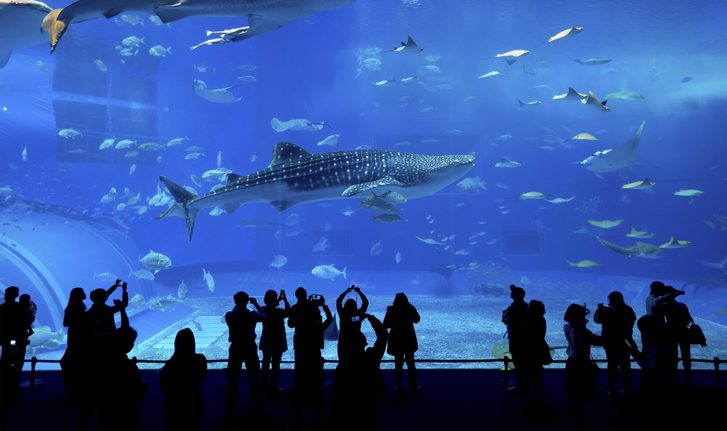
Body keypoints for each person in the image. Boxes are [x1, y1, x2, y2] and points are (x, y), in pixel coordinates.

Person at [331, 313, 388, 430]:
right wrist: (371, 318)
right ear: (364, 343)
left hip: (346, 408)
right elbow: (383, 335)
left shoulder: (343, 364)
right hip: (367, 404)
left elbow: (336, 390)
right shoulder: (372, 358)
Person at [287, 287, 333, 428]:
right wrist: (324, 305)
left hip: (300, 343)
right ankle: (317, 396)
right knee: (315, 370)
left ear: (296, 296)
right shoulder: (313, 308)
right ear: (306, 295)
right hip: (313, 344)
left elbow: (290, 324)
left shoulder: (295, 308)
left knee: (300, 368)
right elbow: (329, 319)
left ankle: (300, 395)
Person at [224, 291, 265, 418]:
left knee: (233, 378)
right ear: (247, 301)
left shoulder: (229, 315)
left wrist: (240, 303)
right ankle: (256, 406)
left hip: (235, 347)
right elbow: (264, 316)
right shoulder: (252, 315)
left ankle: (230, 409)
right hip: (249, 347)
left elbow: (235, 311)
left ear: (234, 301)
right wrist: (256, 304)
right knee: (254, 378)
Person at [563, 303, 602, 431]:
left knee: (574, 392)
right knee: (580, 391)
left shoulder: (567, 327)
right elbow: (598, 341)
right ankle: (578, 420)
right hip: (581, 363)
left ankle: (573, 419)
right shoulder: (582, 330)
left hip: (571, 361)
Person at [160, 328, 208, 431]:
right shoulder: (200, 359)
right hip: (193, 398)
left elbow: (163, 383)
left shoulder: (170, 363)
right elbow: (202, 378)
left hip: (174, 400)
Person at [593, 291, 636, 395]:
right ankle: (626, 387)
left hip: (610, 343)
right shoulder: (628, 309)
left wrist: (599, 310)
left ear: (611, 300)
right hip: (625, 341)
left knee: (612, 364)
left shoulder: (608, 311)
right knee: (625, 364)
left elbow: (597, 320)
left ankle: (611, 388)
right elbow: (632, 320)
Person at [383, 292, 420, 392]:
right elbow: (417, 319)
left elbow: (385, 324)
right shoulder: (409, 308)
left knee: (398, 364)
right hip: (408, 339)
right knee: (411, 363)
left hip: (397, 340)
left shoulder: (391, 310)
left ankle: (399, 385)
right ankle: (413, 385)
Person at [60, 287, 92, 403]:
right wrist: (81, 319)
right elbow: (66, 323)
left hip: (79, 337)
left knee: (71, 363)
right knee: (70, 362)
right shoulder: (72, 308)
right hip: (76, 338)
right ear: (77, 295)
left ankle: (75, 392)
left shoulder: (80, 307)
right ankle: (75, 392)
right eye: (83, 292)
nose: (85, 294)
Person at [662, 286, 696, 385]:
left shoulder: (665, 306)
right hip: (684, 332)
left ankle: (674, 377)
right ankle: (687, 377)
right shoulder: (682, 305)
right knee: (686, 355)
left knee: (673, 356)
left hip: (671, 333)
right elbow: (690, 320)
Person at [0, 286, 29, 402]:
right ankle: (13, 385)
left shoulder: (2, 307)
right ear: (17, 295)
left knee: (6, 359)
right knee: (17, 361)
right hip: (18, 339)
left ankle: (6, 384)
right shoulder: (20, 307)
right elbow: (26, 321)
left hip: (7, 339)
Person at [260, 289, 290, 394]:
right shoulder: (279, 312)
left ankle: (264, 385)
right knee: (276, 364)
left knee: (265, 363)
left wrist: (277, 300)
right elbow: (288, 312)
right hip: (278, 342)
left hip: (267, 341)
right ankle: (274, 386)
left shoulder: (263, 310)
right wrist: (285, 300)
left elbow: (270, 307)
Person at [501, 284, 529, 395]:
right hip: (524, 338)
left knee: (519, 363)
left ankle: (521, 387)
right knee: (523, 363)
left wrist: (505, 317)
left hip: (516, 338)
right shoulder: (526, 306)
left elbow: (506, 320)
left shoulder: (513, 308)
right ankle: (524, 385)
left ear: (512, 296)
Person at [336, 285, 369, 364]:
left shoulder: (343, 314)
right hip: (356, 342)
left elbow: (338, 301)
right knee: (357, 363)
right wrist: (359, 292)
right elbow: (365, 302)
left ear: (345, 306)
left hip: (343, 342)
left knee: (343, 363)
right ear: (355, 306)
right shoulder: (358, 315)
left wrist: (346, 292)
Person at [523, 299, 547, 403]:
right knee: (537, 373)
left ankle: (533, 397)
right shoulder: (541, 318)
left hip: (531, 350)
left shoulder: (531, 320)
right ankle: (539, 395)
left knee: (532, 373)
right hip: (538, 348)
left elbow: (526, 333)